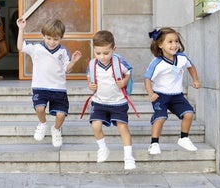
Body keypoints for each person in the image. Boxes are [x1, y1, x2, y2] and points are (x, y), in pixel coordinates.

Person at [16, 18, 82, 147]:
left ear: (61, 38)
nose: (52, 42)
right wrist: (21, 29)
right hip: (40, 87)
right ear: (43, 36)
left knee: (61, 114)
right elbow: (20, 46)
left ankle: (56, 129)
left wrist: (73, 61)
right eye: (49, 38)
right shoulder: (36, 48)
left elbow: (67, 69)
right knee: (39, 108)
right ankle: (42, 123)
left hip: (58, 89)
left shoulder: (63, 51)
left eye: (56, 39)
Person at [144, 27, 201, 155]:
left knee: (189, 114)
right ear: (160, 45)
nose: (174, 45)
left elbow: (191, 66)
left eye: (176, 41)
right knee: (161, 117)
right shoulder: (157, 63)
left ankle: (184, 138)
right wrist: (150, 93)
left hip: (177, 96)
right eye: (170, 42)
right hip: (160, 96)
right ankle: (154, 143)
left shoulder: (182, 58)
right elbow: (147, 79)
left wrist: (196, 80)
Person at [87, 30, 136, 170]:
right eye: (98, 53)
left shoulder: (119, 62)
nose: (102, 57)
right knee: (96, 125)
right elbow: (89, 78)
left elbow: (129, 72)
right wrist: (90, 85)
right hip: (99, 101)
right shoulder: (92, 64)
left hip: (118, 102)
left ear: (113, 49)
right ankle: (103, 148)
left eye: (106, 53)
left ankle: (128, 156)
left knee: (122, 127)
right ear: (94, 50)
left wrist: (125, 81)